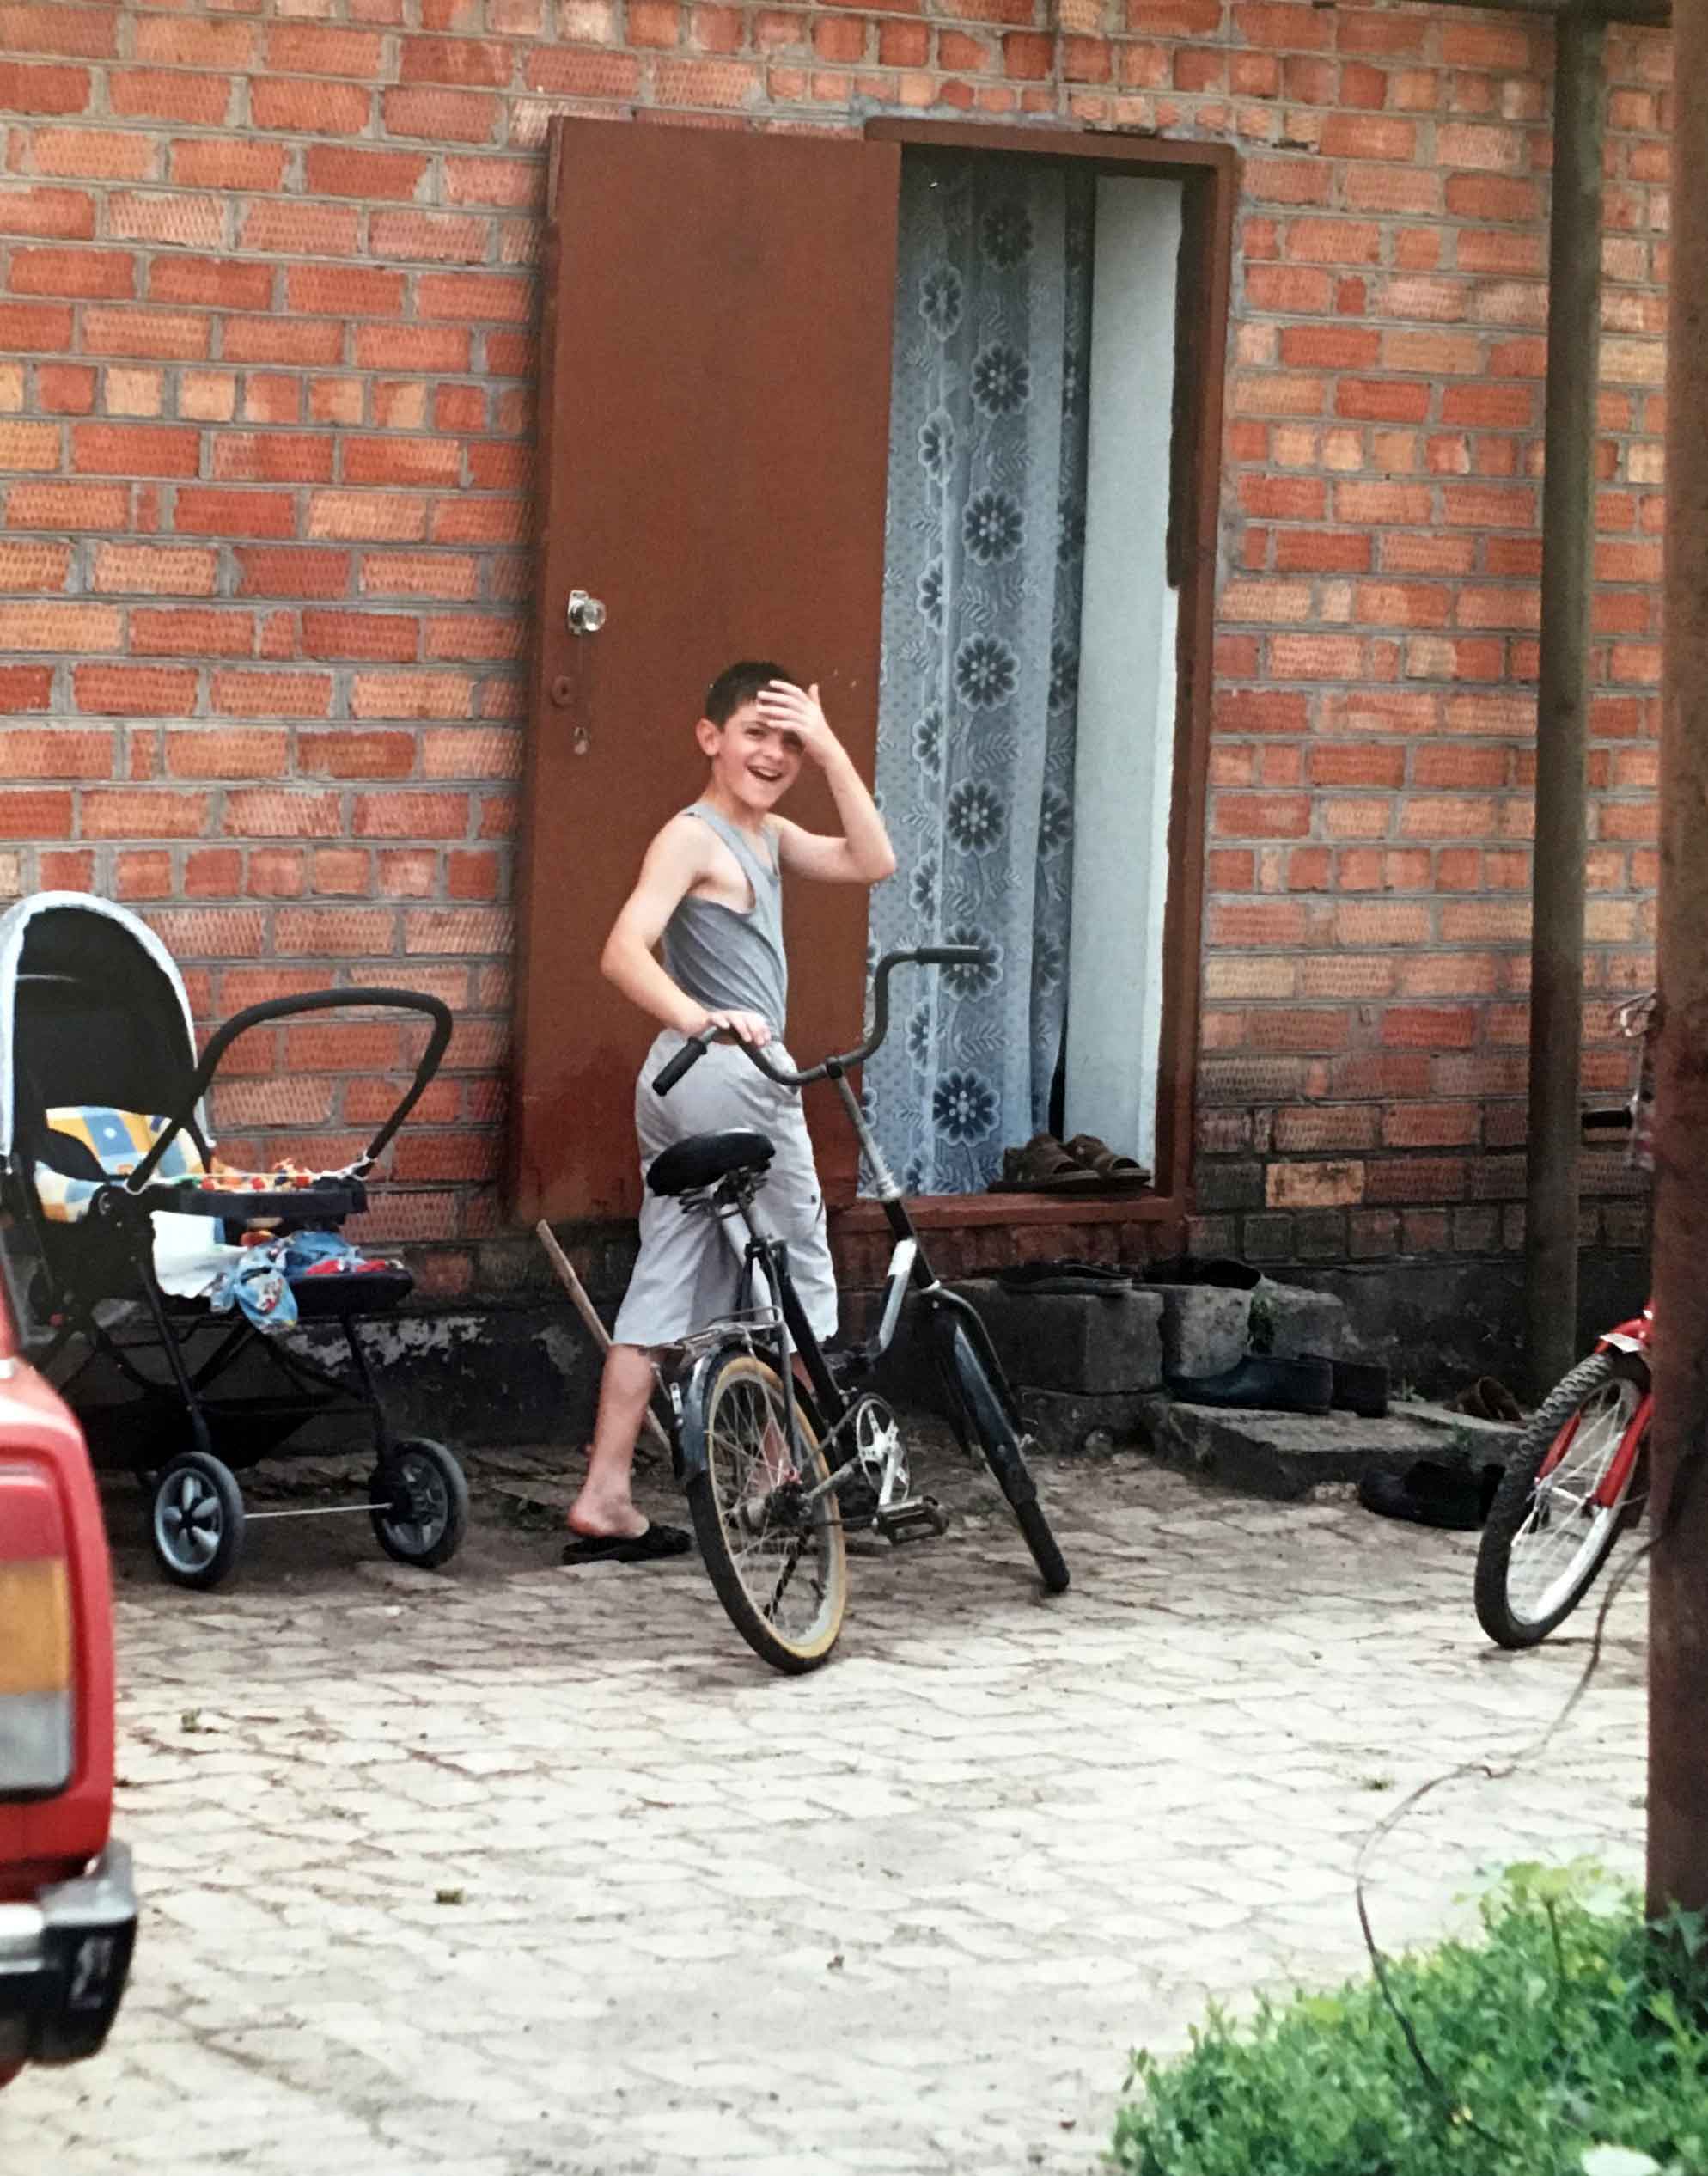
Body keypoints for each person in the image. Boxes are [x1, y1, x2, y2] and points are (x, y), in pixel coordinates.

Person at [561, 662, 896, 1564]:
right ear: (708, 736)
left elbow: (873, 860)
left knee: (669, 1279)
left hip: (678, 1084)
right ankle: (779, 1483)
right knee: (790, 1277)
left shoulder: (769, 834)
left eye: (788, 739)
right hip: (726, 1071)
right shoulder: (692, 837)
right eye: (755, 731)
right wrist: (701, 1020)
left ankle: (605, 1493)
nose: (772, 753)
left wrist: (830, 751)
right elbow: (621, 951)